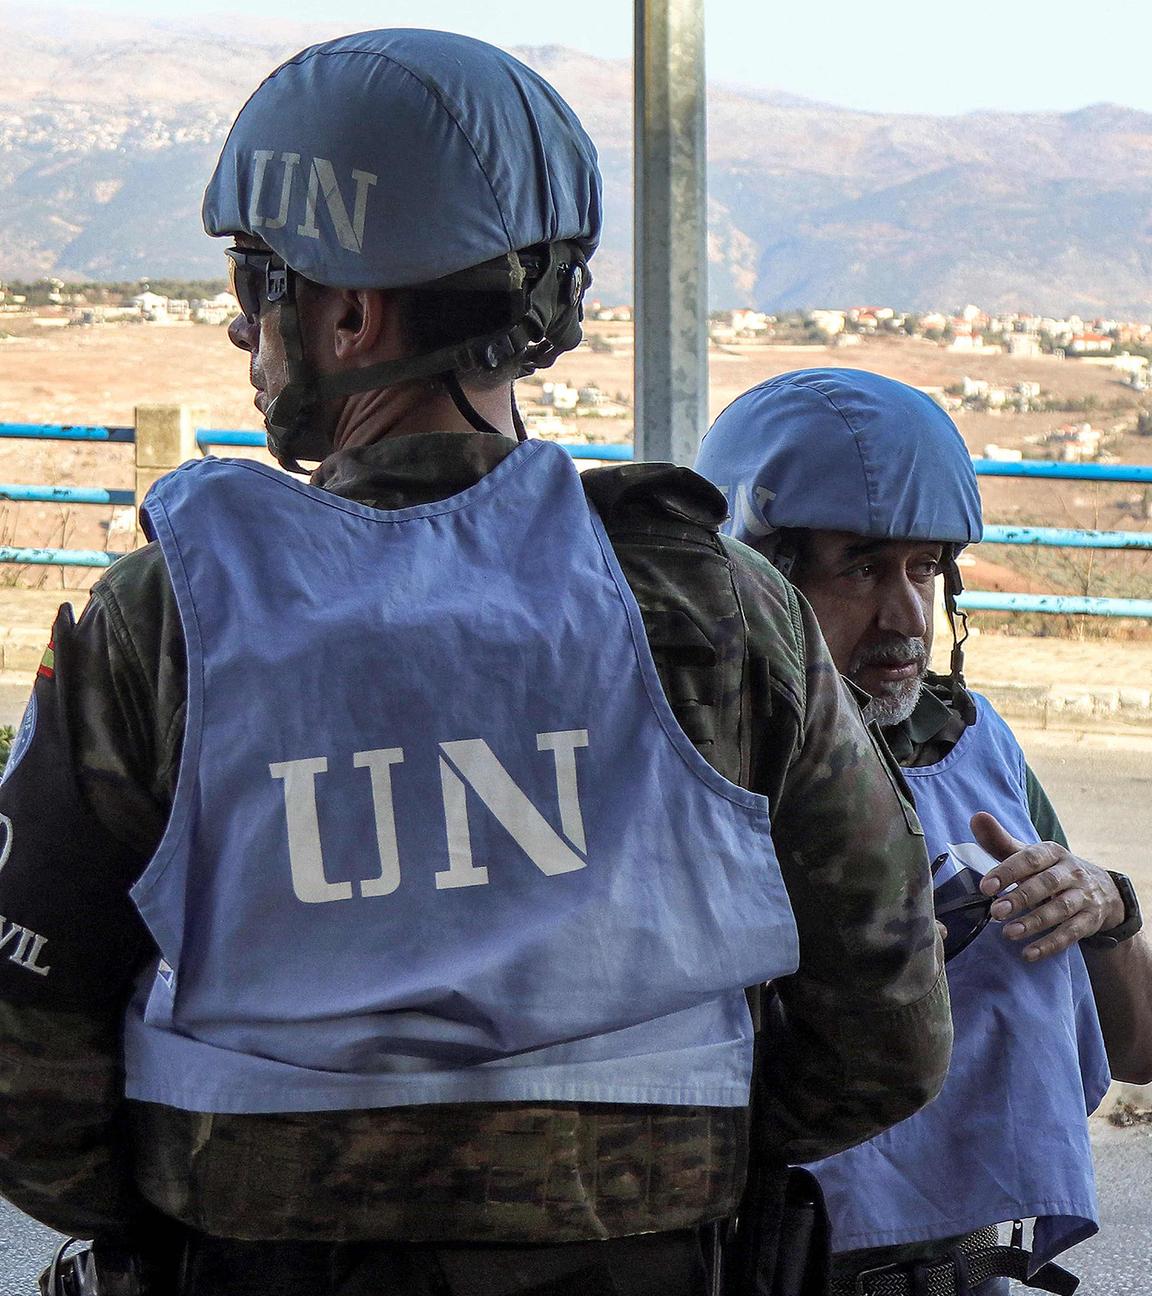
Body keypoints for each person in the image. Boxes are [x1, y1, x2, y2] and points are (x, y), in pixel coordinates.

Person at [0, 36, 949, 1296]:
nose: (241, 321)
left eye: (255, 277)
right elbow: (886, 1024)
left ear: (349, 310)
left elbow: (25, 1049)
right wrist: (665, 1177)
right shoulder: (718, 605)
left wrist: (183, 1213)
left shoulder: (165, 617)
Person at [695, 367, 1152, 1296]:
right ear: (759, 574)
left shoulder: (973, 746)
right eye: (861, 567)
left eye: (925, 567)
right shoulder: (696, 761)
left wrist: (1103, 911)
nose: (906, 615)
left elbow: (1142, 1050)